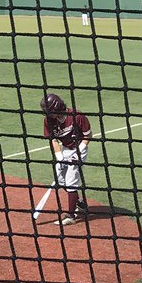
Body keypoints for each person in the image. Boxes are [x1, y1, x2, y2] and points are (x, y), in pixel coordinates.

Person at [41, 93, 92, 225]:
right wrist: (59, 157)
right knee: (60, 178)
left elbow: (88, 135)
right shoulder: (49, 121)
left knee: (71, 180)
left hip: (79, 148)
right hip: (65, 149)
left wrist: (78, 154)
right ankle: (79, 202)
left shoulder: (77, 116)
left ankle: (71, 216)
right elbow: (53, 140)